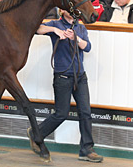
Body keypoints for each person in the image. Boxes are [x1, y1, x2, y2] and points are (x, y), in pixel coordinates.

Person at [27, 9, 104, 163]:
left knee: (86, 113)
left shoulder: (80, 26)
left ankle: (86, 149)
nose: (72, 11)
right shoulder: (55, 23)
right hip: (63, 76)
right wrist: (54, 30)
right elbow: (37, 28)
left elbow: (87, 47)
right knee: (61, 113)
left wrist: (76, 38)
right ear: (62, 10)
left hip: (80, 76)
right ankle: (37, 133)